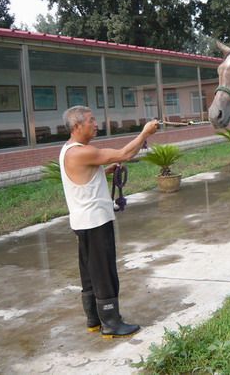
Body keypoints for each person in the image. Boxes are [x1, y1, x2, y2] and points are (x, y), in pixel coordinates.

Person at [59, 106, 158, 338]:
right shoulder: (82, 152)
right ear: (76, 126)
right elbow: (124, 153)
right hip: (95, 223)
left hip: (83, 222)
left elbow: (83, 178)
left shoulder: (68, 151)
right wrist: (145, 133)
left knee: (91, 272)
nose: (96, 124)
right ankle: (112, 323)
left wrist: (104, 170)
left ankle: (94, 319)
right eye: (91, 120)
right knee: (104, 272)